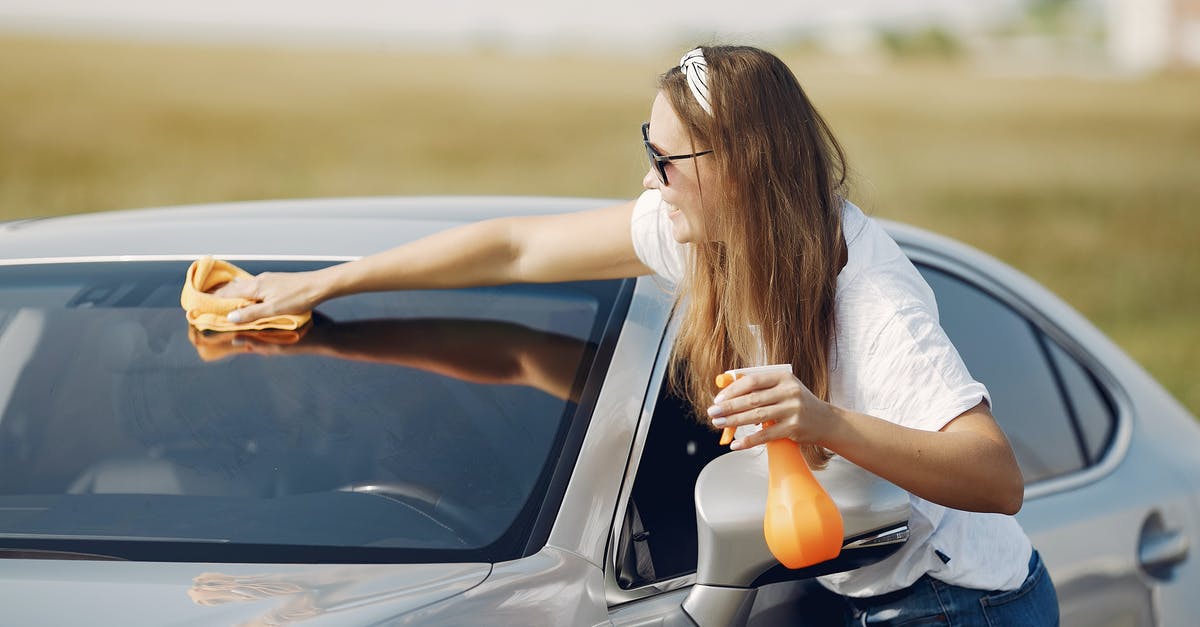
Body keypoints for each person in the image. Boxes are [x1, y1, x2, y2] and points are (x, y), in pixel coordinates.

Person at [216, 44, 1059, 625]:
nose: (649, 180)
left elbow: (995, 476)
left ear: (740, 169)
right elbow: (514, 247)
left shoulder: (869, 297)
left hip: (956, 603)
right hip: (846, 587)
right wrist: (326, 285)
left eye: (668, 162)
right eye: (648, 149)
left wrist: (823, 421)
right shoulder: (702, 231)